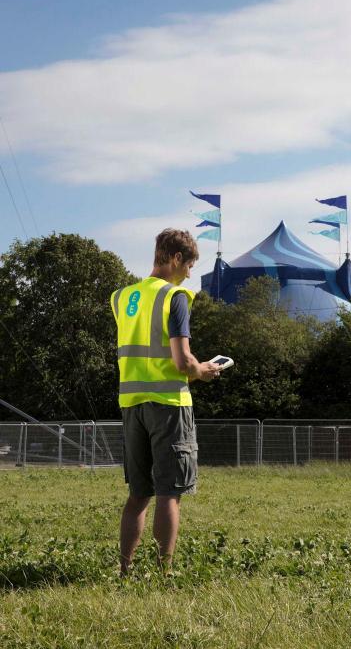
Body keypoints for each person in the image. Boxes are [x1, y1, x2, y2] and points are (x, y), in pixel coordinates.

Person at [110, 228, 220, 575]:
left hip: (131, 404)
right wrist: (202, 371)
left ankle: (125, 570)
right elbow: (181, 362)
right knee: (169, 492)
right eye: (189, 265)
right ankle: (164, 571)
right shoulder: (175, 297)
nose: (189, 274)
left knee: (138, 494)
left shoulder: (122, 297)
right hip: (169, 404)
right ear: (176, 259)